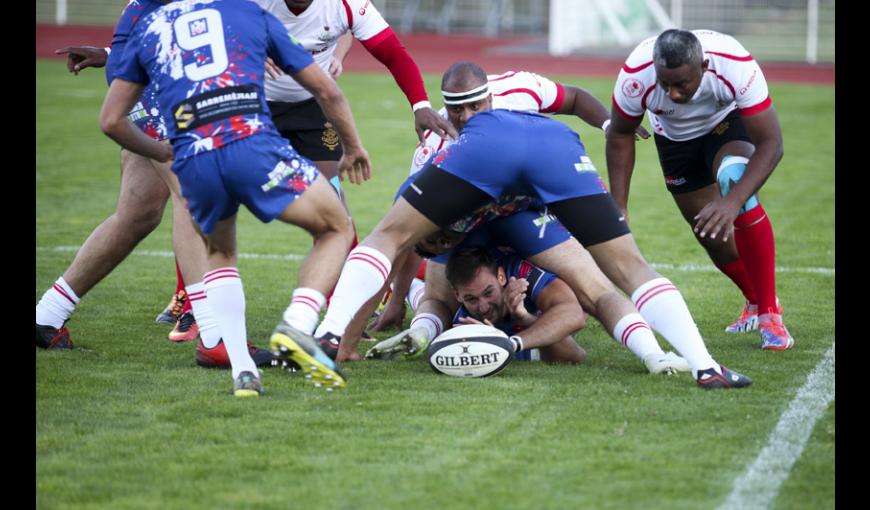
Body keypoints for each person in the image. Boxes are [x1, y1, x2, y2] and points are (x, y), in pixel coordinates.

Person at [283, 101, 752, 388]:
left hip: (512, 195)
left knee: (597, 283)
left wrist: (345, 333)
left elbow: (392, 242)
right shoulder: (441, 229)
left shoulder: (437, 167)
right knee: (627, 268)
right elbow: (405, 260)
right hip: (550, 150)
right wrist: (393, 322)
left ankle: (323, 334)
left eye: (437, 239)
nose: (439, 243)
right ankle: (705, 367)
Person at [99, 0, 371, 396]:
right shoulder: (251, 13)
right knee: (336, 227)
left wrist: (160, 151)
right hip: (250, 143)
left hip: (194, 159)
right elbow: (326, 90)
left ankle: (243, 372)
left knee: (221, 253)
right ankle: (297, 325)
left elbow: (111, 121)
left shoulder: (152, 24)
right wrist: (353, 147)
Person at [37, 1, 274, 370]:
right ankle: (214, 335)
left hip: (153, 75)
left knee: (137, 215)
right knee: (192, 194)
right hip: (152, 85)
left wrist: (109, 53)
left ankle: (47, 315)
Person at [606, 29, 793, 350]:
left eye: (682, 84)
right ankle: (754, 300)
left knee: (734, 180)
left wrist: (732, 201)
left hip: (725, 125)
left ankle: (770, 316)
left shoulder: (733, 62)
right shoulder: (636, 74)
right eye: (665, 84)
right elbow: (620, 134)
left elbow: (771, 143)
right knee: (710, 232)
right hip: (675, 142)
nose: (673, 93)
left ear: (704, 66)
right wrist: (619, 206)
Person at [444, 247, 587, 364]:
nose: (483, 307)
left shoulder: (521, 274)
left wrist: (524, 319)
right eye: (471, 299)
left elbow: (575, 316)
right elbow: (570, 357)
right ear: (457, 294)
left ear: (501, 277)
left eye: (488, 293)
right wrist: (493, 341)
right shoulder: (464, 327)